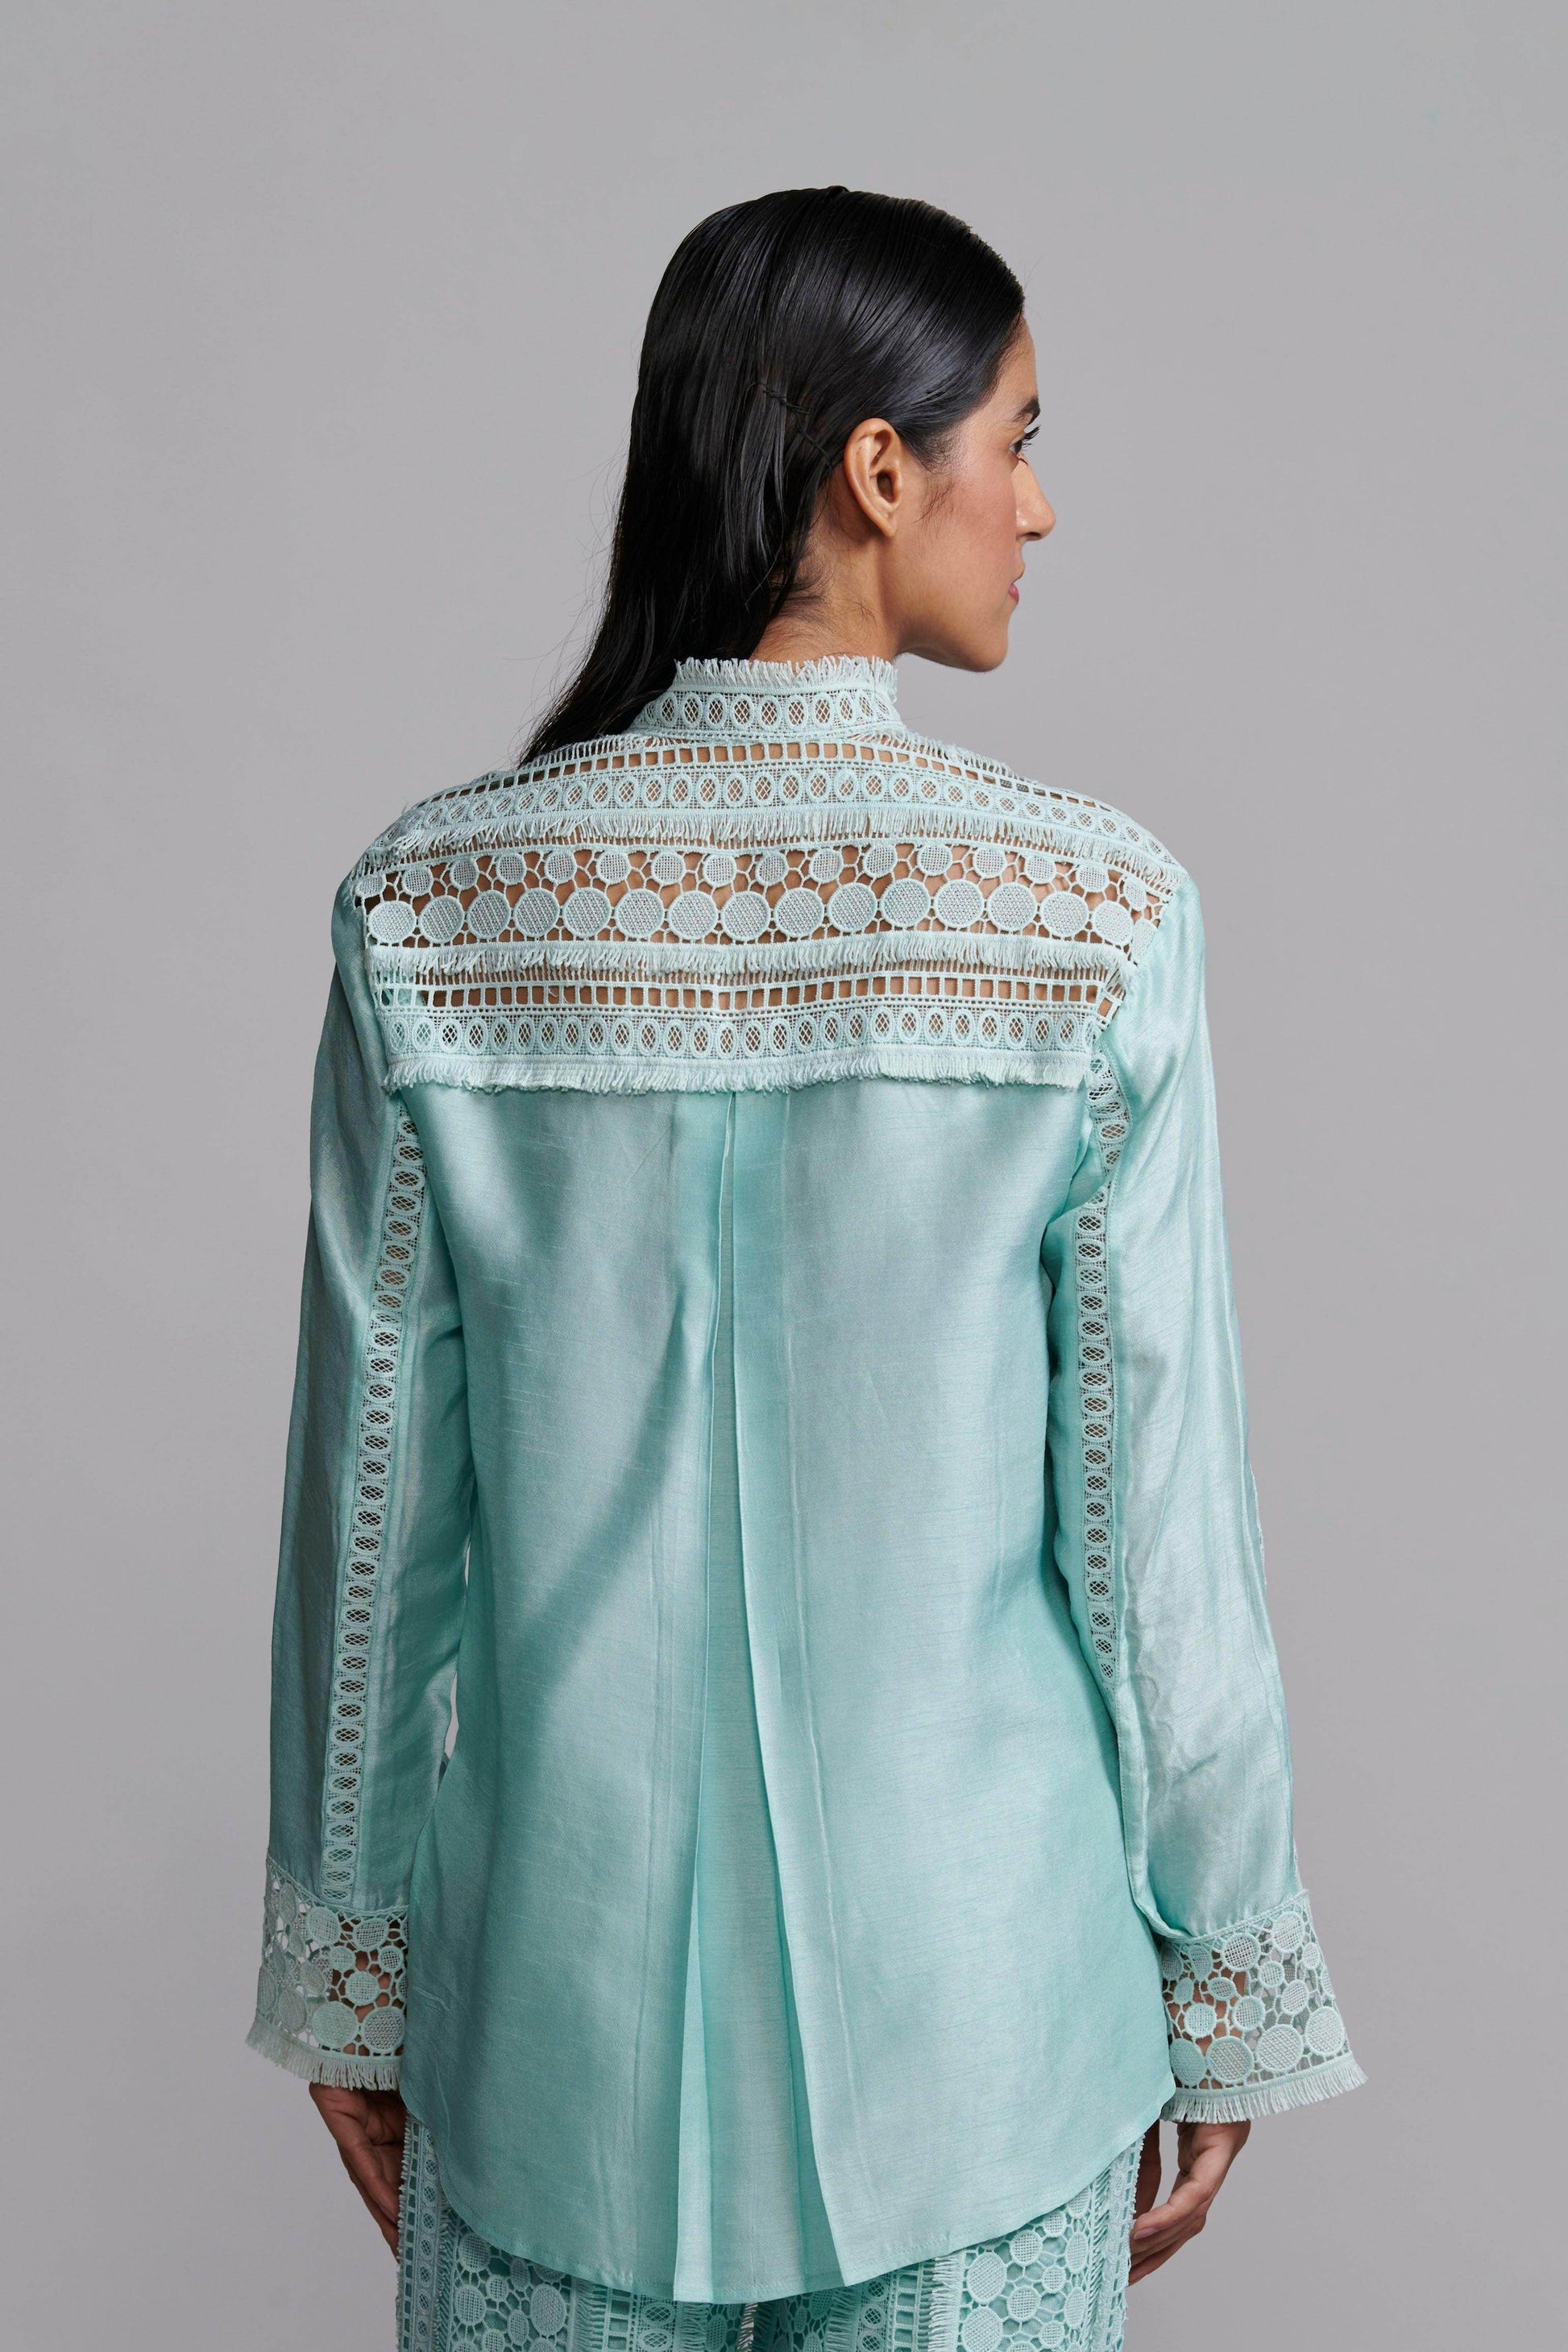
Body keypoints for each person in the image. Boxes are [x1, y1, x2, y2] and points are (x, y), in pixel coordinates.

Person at [249, 188, 1363, 2352]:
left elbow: (371, 1534)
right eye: (1014, 441)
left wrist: (350, 1978)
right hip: (988, 2031)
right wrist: (1223, 1968)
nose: (1037, 507)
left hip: (554, 2033)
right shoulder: (1097, 918)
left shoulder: (433, 908)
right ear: (878, 468)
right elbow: (1154, 1542)